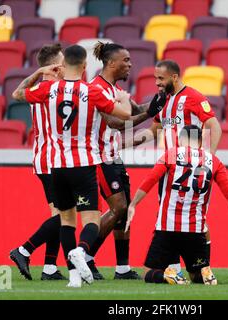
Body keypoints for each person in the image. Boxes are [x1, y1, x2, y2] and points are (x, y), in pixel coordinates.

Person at [12, 44, 132, 287]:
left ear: (62, 65)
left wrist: (38, 74)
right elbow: (125, 117)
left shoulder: (47, 89)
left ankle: (73, 276)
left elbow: (17, 94)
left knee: (66, 220)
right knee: (91, 219)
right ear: (86, 66)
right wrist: (124, 100)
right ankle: (80, 251)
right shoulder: (92, 91)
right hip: (84, 163)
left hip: (55, 164)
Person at [130, 60, 223, 276]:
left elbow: (214, 126)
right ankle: (175, 269)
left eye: (161, 79)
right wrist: (124, 142)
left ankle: (202, 266)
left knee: (196, 217)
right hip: (168, 170)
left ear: (174, 77)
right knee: (169, 217)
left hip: (190, 170)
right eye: (155, 79)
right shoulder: (164, 101)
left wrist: (208, 160)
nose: (157, 83)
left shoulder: (193, 97)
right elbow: (154, 130)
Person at [126, 125, 228, 285]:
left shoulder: (171, 155)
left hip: (167, 228)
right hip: (195, 231)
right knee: (195, 276)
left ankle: (168, 276)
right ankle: (205, 273)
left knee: (149, 273)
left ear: (180, 138)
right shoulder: (214, 161)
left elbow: (151, 179)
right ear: (200, 141)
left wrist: (133, 204)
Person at [84, 41, 166, 280]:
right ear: (111, 63)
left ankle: (122, 269)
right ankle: (86, 257)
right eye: (126, 60)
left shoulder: (114, 89)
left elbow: (135, 109)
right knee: (118, 207)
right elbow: (117, 123)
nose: (130, 64)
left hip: (113, 157)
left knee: (125, 211)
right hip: (99, 158)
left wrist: (159, 101)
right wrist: (150, 113)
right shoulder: (96, 89)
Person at [9, 43, 66, 281]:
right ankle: (24, 250)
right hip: (53, 159)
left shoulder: (38, 89)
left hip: (45, 159)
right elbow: (15, 95)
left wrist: (37, 74)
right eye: (62, 64)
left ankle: (50, 268)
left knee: (59, 214)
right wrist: (41, 73)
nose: (65, 67)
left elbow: (16, 93)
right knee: (66, 216)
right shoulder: (54, 89)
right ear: (54, 66)